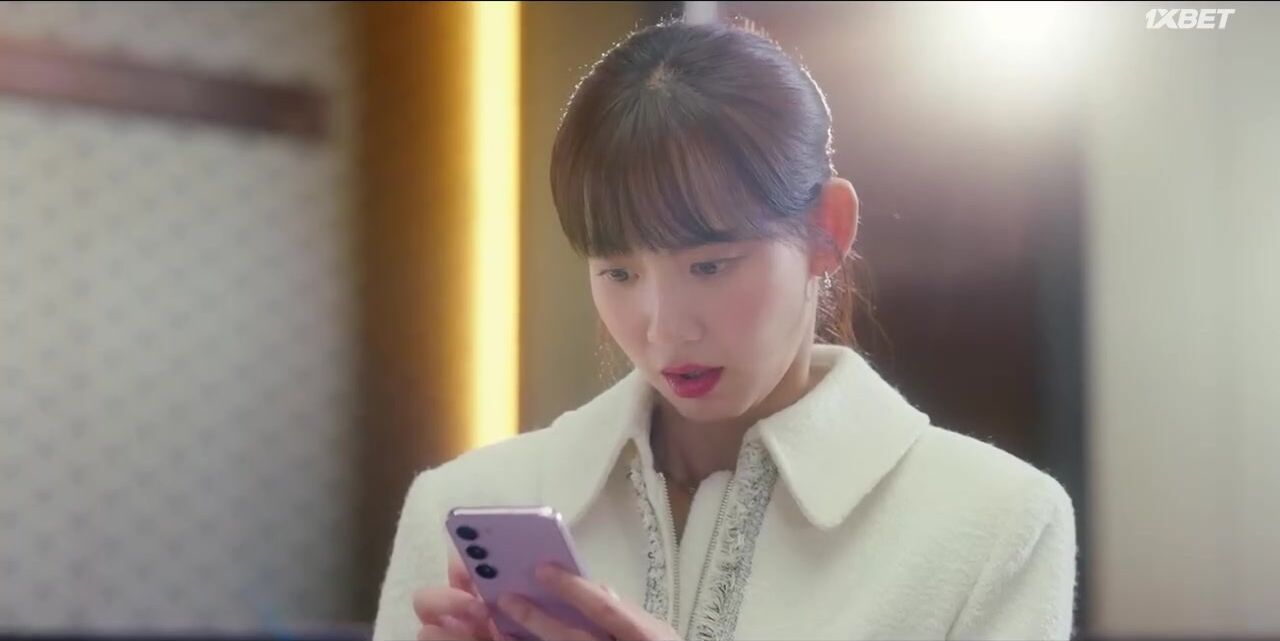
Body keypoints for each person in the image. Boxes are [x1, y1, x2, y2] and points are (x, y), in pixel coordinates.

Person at [372, 17, 1077, 641]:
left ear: (827, 230)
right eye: (619, 272)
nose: (664, 329)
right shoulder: (464, 504)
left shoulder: (995, 523)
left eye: (709, 266)